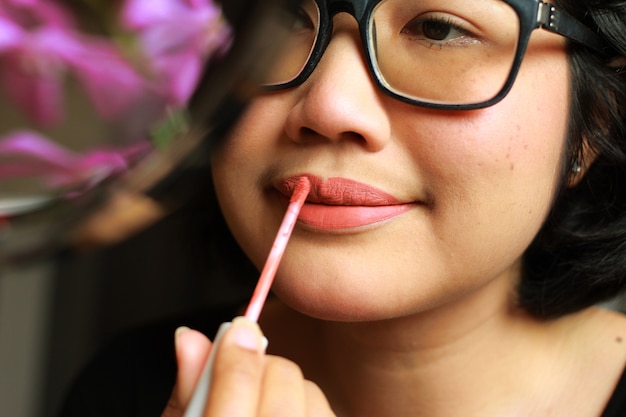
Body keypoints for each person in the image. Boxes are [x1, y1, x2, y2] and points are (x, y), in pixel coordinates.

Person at [58, 0, 626, 416]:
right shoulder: (131, 385)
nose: (330, 106)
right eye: (282, 18)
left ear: (594, 122)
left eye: (438, 29)